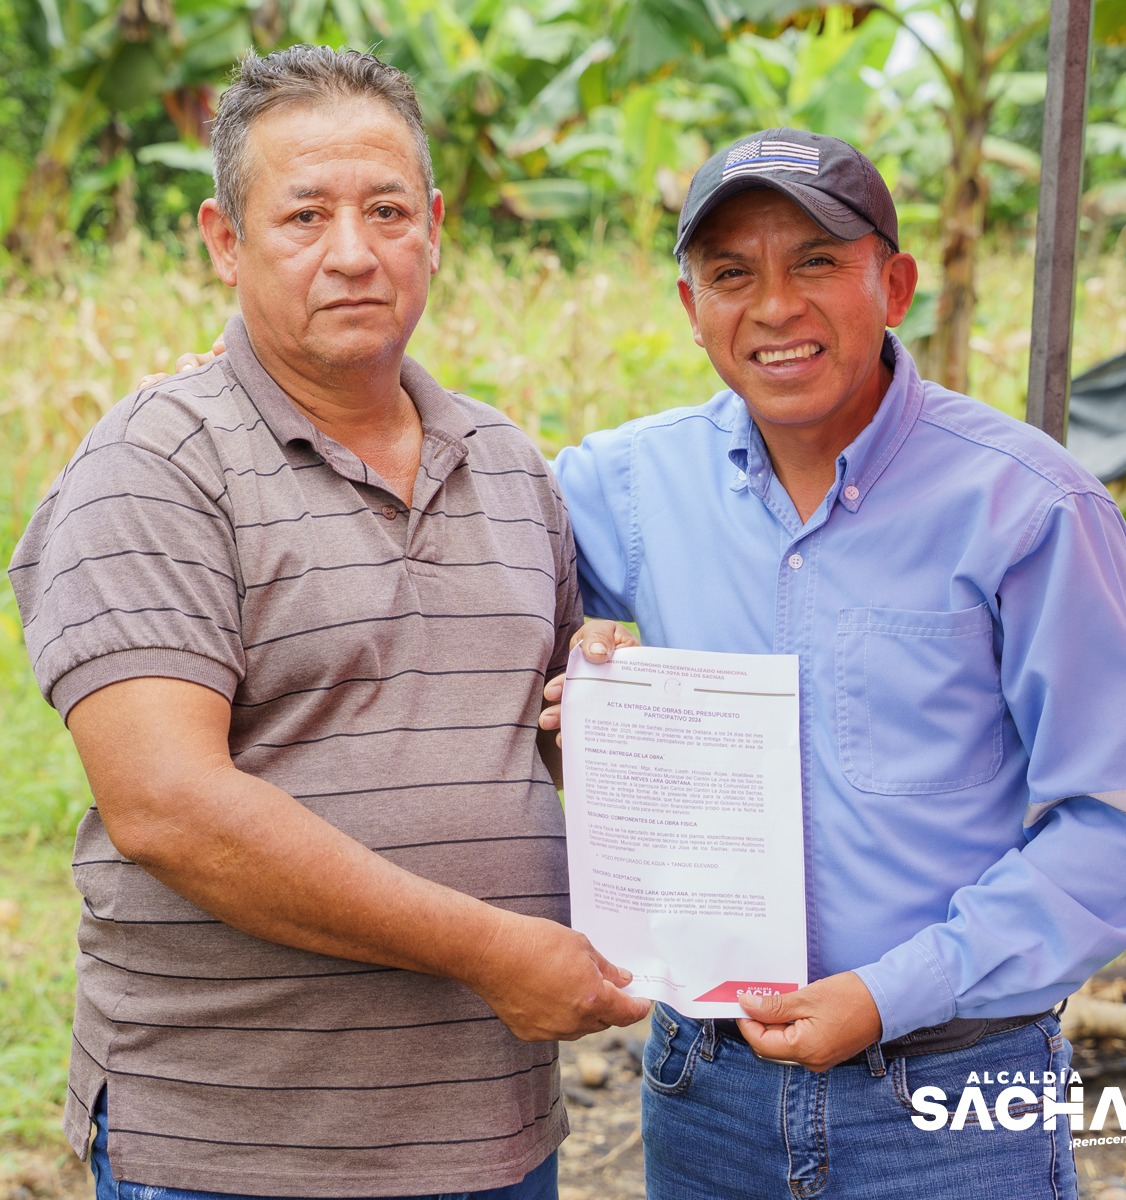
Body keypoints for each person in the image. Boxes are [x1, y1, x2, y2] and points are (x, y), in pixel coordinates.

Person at [8, 45, 649, 1200]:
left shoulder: (507, 463)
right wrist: (491, 949)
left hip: (494, 1132)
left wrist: (612, 704)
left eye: (387, 211)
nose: (353, 252)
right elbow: (167, 808)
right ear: (224, 240)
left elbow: (536, 744)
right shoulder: (154, 468)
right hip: (242, 1146)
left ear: (435, 229)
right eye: (304, 215)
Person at [540, 128, 1126, 1199]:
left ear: (896, 284)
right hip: (704, 1092)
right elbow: (462, 573)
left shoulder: (1030, 508)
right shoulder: (627, 487)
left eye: (818, 262)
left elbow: (1116, 836)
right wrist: (575, 666)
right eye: (732, 274)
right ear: (691, 306)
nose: (775, 307)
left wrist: (889, 993)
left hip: (956, 1091)